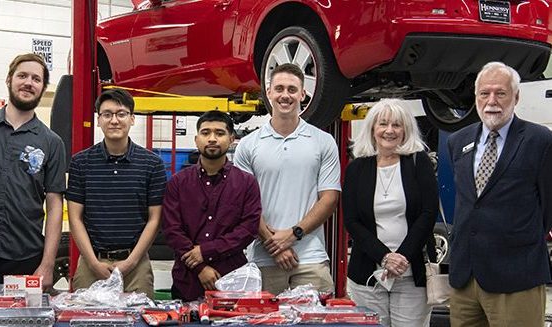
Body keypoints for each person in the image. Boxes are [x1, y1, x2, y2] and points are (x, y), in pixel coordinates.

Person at [447, 61, 552, 326]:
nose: (491, 100)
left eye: (500, 93)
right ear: (475, 96)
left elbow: (548, 209)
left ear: (516, 97)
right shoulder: (458, 141)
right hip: (465, 279)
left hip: (516, 278)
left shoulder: (540, 141)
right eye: (485, 93)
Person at [0, 53, 66, 289]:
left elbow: (55, 205)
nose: (29, 82)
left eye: (36, 79)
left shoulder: (52, 142)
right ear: (9, 80)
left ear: (43, 87)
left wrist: (47, 264)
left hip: (26, 258)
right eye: (22, 75)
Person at [233, 63, 341, 295]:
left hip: (311, 258)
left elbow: (329, 198)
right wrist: (275, 247)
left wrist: (293, 234)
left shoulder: (323, 142)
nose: (285, 95)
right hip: (263, 259)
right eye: (279, 88)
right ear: (268, 92)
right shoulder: (248, 145)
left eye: (292, 89)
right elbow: (244, 203)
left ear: (303, 94)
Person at [343, 99, 437, 327]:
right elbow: (352, 220)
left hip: (412, 274)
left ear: (406, 130)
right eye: (383, 124)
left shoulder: (419, 162)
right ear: (372, 129)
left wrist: (401, 257)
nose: (389, 131)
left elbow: (428, 213)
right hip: (367, 275)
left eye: (397, 125)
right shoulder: (357, 168)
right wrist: (384, 257)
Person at [66, 88, 166, 297]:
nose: (114, 120)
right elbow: (75, 218)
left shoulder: (152, 164)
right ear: (99, 120)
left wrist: (130, 263)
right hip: (91, 263)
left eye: (121, 114)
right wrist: (93, 263)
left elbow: (155, 219)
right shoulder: (81, 162)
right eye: (107, 114)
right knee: (85, 319)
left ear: (132, 119)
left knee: (139, 319)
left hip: (135, 265)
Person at [162, 110, 262, 301]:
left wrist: (205, 252)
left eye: (220, 133)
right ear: (196, 139)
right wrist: (200, 266)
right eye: (206, 133)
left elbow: (248, 229)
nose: (212, 139)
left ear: (231, 138)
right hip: (188, 280)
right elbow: (172, 229)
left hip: (233, 279)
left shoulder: (246, 183)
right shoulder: (178, 182)